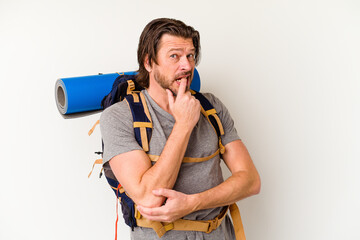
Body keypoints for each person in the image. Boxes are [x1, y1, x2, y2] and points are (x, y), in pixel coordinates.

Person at [100, 18, 261, 240]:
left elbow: (251, 181)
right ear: (148, 62)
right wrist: (184, 124)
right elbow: (148, 198)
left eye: (191, 55)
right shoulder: (119, 117)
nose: (186, 65)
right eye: (174, 56)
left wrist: (192, 203)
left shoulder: (211, 106)